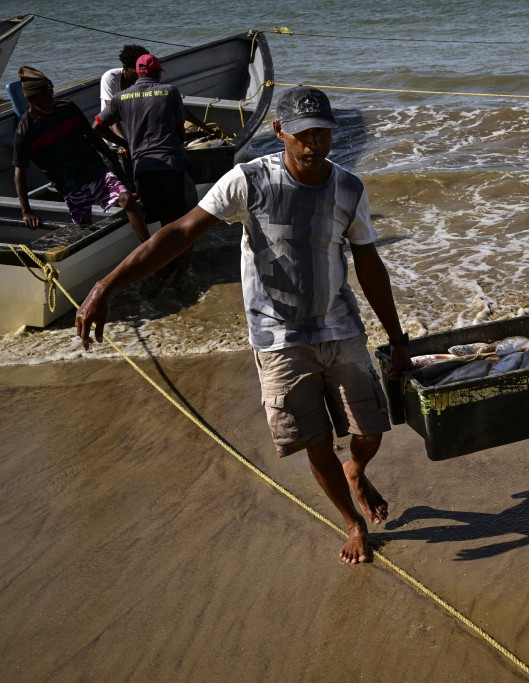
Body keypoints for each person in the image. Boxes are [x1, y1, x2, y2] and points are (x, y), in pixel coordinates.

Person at [75, 86, 411, 565]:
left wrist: (397, 340)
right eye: (302, 136)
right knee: (313, 439)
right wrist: (105, 286)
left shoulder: (349, 187)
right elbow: (179, 232)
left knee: (371, 428)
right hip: (277, 337)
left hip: (341, 328)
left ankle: (355, 471)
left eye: (322, 133)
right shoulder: (248, 181)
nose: (314, 144)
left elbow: (369, 264)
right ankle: (352, 522)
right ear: (280, 133)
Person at [93, 53, 209, 282]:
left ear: (137, 73)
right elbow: (180, 130)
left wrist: (124, 143)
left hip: (142, 170)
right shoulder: (170, 92)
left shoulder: (119, 98)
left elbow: (97, 126)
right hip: (171, 165)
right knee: (180, 222)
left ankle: (158, 268)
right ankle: (181, 274)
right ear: (157, 73)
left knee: (156, 222)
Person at [12, 66, 149, 242]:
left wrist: (118, 169)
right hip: (69, 183)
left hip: (94, 170)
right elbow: (20, 173)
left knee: (127, 199)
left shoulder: (67, 108)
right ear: (32, 100)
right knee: (85, 224)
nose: (51, 99)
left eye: (51, 94)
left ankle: (148, 246)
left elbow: (93, 137)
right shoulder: (25, 130)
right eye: (45, 97)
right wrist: (26, 211)